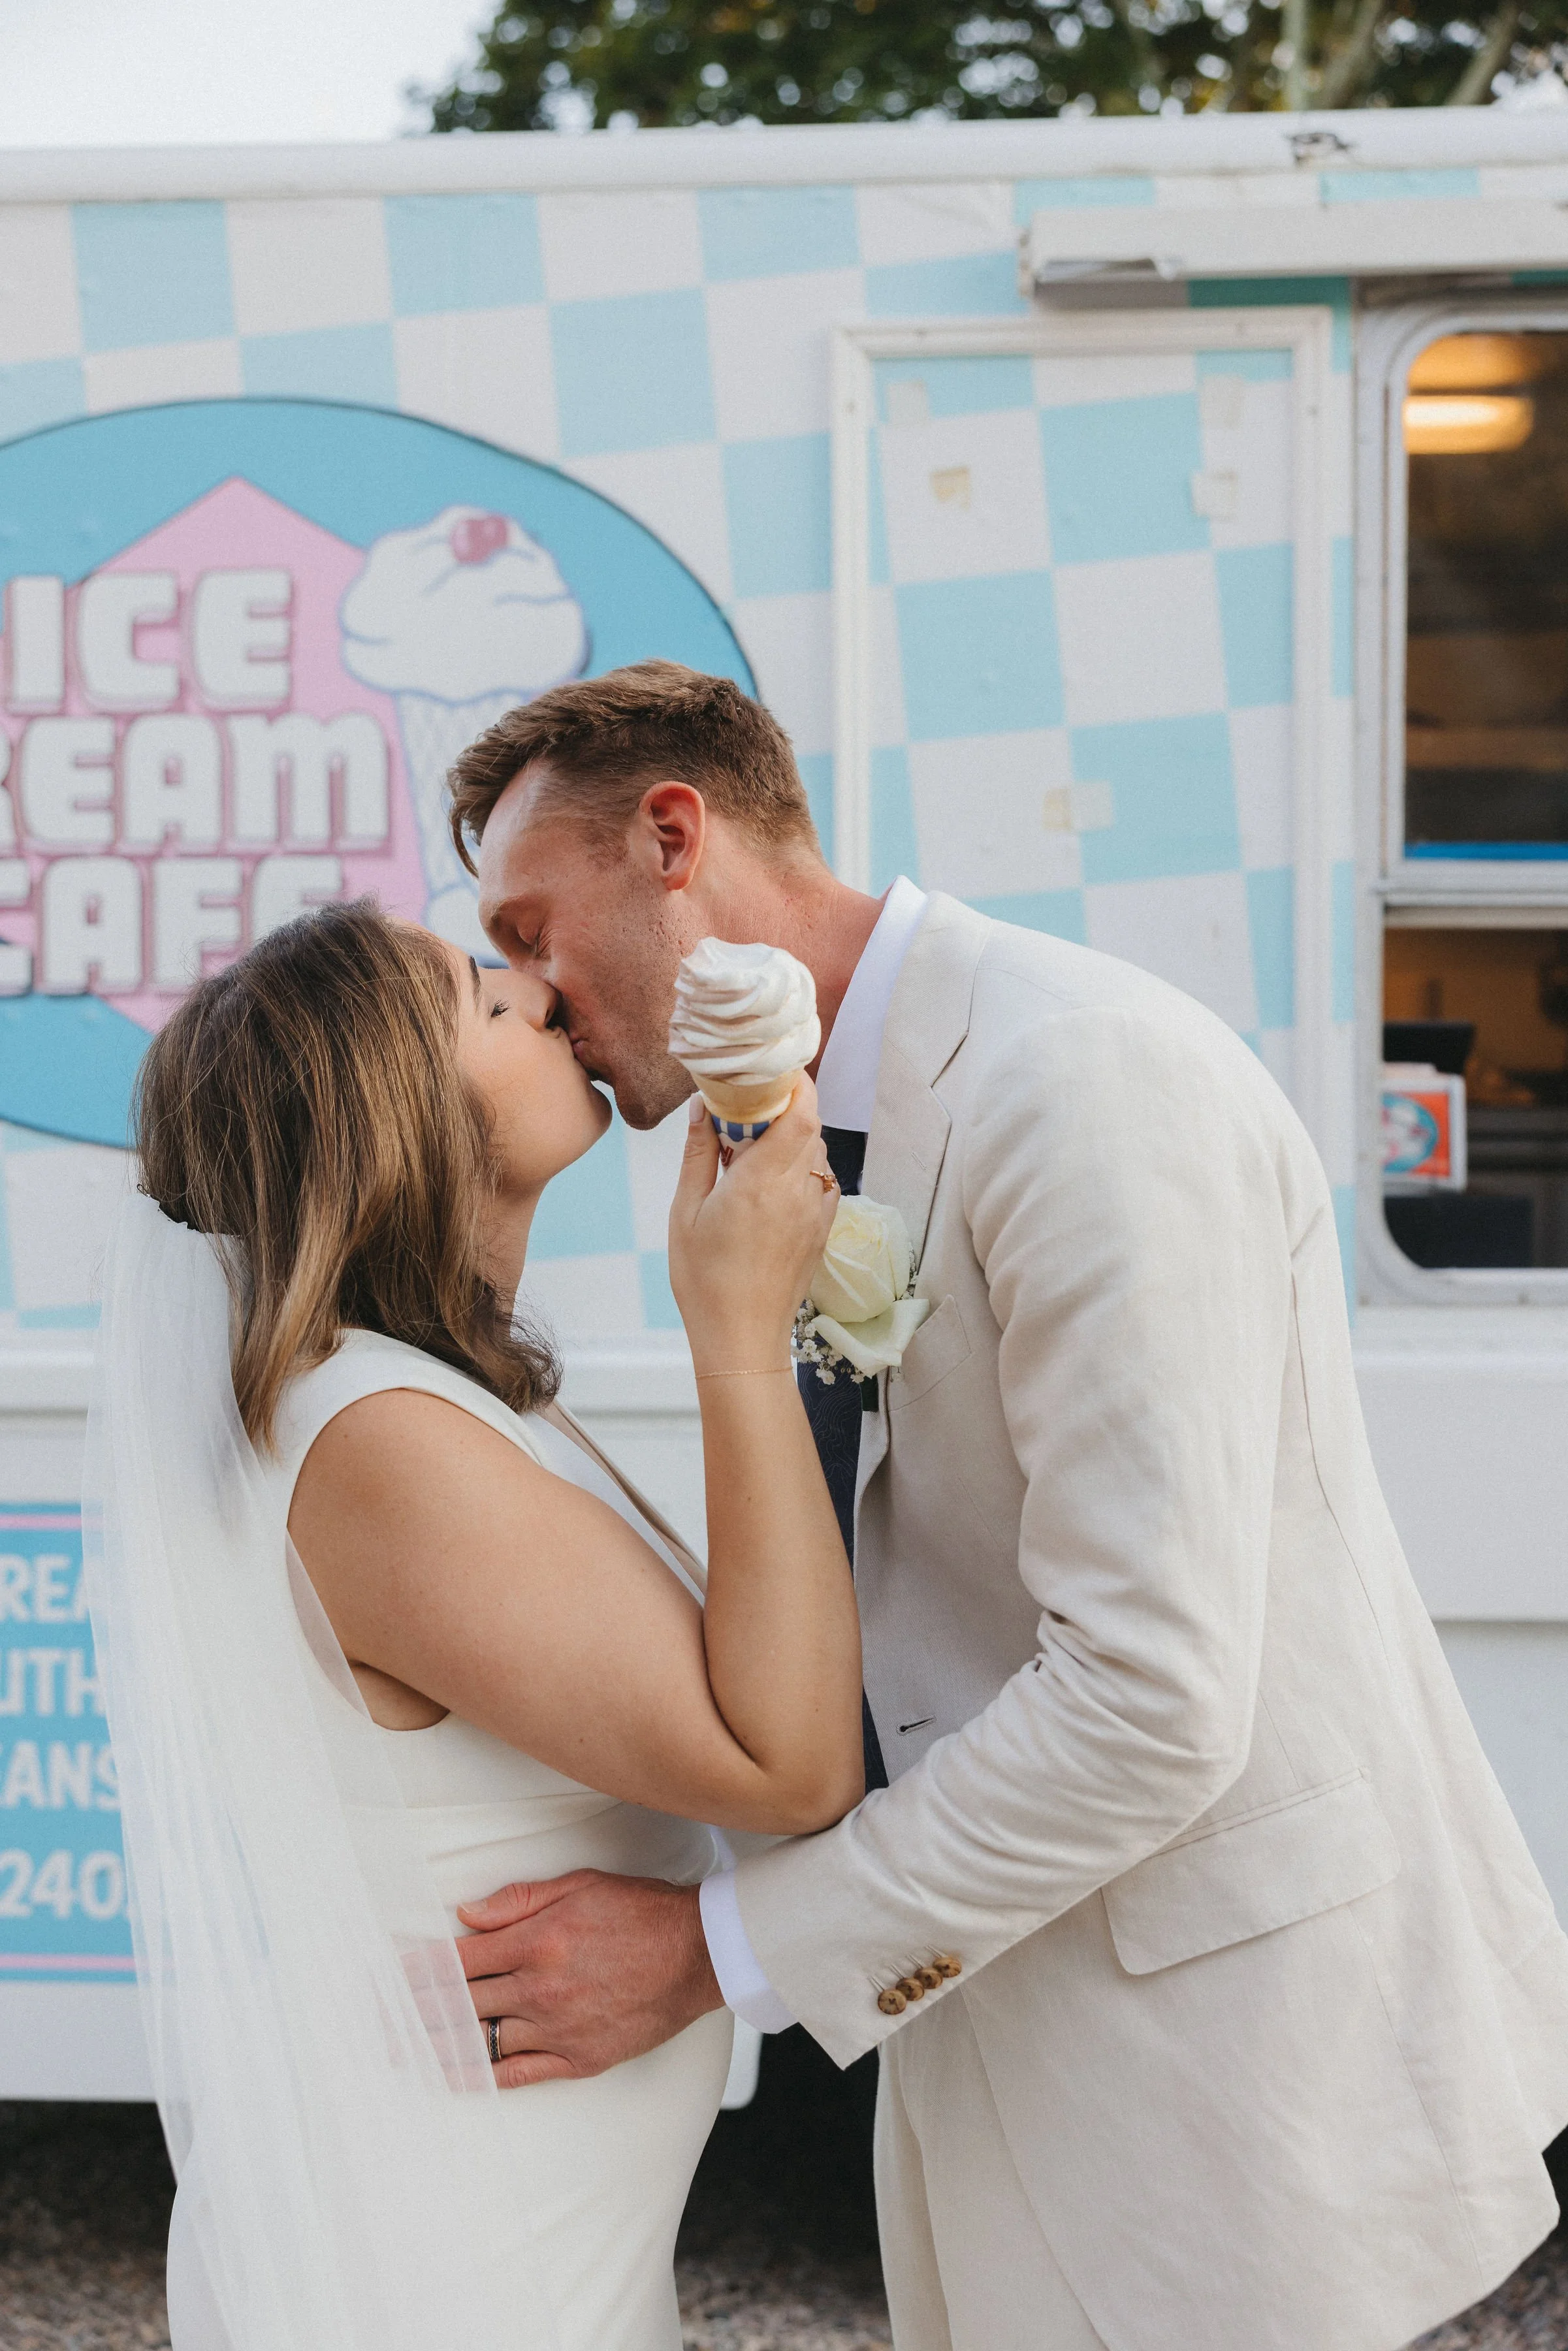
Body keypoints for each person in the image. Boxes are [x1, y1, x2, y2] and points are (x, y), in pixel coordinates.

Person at [449, 660, 1568, 2351]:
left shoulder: (1081, 1078)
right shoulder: (809, 1132)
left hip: (1223, 2081)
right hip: (995, 2030)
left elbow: (1151, 1698)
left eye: (534, 931)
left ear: (672, 834)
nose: (532, 996)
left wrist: (716, 1950)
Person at [86, 898, 859, 2351]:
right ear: (392, 1117)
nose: (543, 991)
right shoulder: (380, 1440)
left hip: (511, 2230)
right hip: (440, 2261)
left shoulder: (427, 1396)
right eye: (482, 999)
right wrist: (738, 1332)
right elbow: (789, 1766)